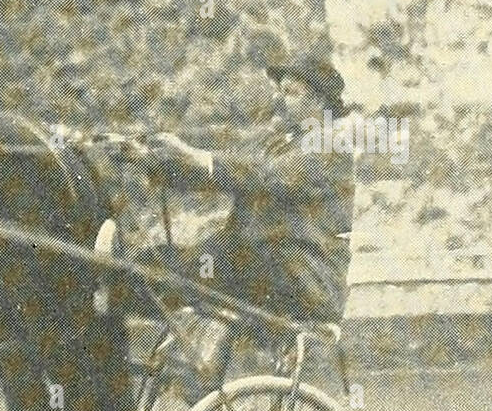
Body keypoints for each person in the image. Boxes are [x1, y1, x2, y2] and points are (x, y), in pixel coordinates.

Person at [88, 54, 356, 386]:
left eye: (292, 93)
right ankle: (119, 280)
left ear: (319, 102)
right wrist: (150, 160)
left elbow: (262, 177)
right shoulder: (283, 143)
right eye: (282, 92)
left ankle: (117, 282)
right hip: (265, 261)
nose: (282, 101)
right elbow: (223, 177)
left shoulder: (330, 145)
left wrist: (193, 154)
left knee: (196, 263)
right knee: (171, 260)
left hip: (299, 277)